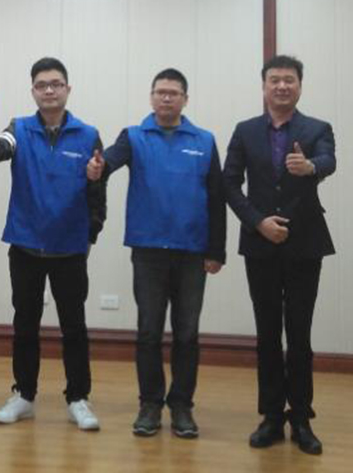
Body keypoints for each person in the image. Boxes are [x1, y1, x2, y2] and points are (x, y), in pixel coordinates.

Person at [87, 68, 226, 438]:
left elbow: (216, 198)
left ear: (185, 99)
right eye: (160, 92)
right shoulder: (134, 136)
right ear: (151, 97)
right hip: (149, 251)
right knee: (149, 331)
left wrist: (217, 250)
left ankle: (181, 406)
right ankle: (150, 403)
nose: (166, 98)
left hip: (192, 251)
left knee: (187, 333)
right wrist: (98, 167)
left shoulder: (204, 140)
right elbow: (109, 160)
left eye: (173, 93)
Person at [0, 57, 106, 431]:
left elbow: (97, 188)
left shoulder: (87, 134)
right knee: (25, 324)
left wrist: (90, 233)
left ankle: (78, 398)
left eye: (56, 84)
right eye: (41, 85)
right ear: (33, 91)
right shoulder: (19, 128)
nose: (49, 90)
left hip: (70, 247)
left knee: (74, 326)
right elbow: (2, 146)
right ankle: (24, 395)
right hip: (26, 245)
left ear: (68, 89)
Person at [223, 55, 334, 455]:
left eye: (289, 79)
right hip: (260, 243)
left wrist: (310, 167)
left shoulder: (317, 128)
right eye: (275, 80)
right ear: (264, 86)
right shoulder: (245, 130)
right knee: (267, 333)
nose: (282, 86)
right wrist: (257, 222)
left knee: (299, 334)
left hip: (305, 244)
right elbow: (229, 183)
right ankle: (271, 416)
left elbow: (329, 160)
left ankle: (301, 417)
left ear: (299, 86)